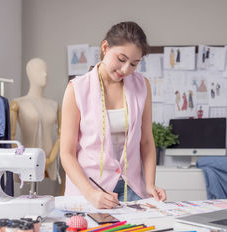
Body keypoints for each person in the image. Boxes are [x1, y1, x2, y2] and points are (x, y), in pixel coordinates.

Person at [60, 21, 167, 209]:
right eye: (121, 59)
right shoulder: (76, 89)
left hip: (131, 187)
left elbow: (147, 142)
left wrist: (150, 184)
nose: (126, 70)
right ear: (104, 47)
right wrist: (90, 193)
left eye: (134, 64)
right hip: (89, 188)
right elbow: (67, 154)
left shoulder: (142, 86)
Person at [10, 58, 62, 193]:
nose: (45, 74)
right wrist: (23, 159)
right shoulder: (18, 104)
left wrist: (50, 160)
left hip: (48, 164)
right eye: (39, 71)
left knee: (48, 203)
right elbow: (11, 136)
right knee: (26, 206)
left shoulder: (54, 105)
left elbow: (62, 134)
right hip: (26, 162)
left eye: (46, 71)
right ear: (29, 74)